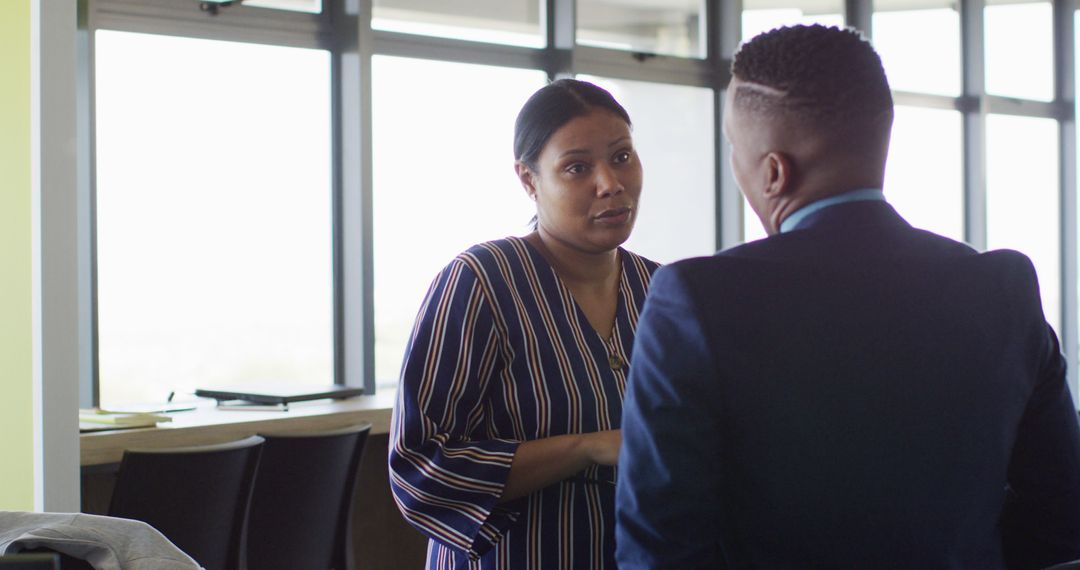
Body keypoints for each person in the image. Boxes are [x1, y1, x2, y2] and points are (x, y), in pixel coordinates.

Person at [615, 24, 1080, 570]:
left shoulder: (695, 300)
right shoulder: (1002, 287)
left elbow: (660, 547)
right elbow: (1062, 518)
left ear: (773, 172)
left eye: (734, 150)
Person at [390, 78, 660, 569]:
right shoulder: (481, 282)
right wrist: (586, 448)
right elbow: (420, 466)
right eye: (577, 167)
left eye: (621, 156)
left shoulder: (661, 289)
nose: (610, 183)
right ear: (529, 180)